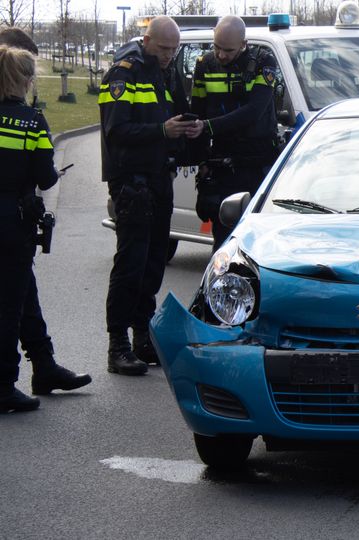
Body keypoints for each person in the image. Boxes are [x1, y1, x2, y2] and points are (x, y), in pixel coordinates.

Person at [99, 16, 202, 376]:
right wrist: (162, 130)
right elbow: (117, 130)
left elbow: (172, 112)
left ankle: (142, 336)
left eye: (174, 49)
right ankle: (118, 345)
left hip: (159, 177)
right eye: (163, 48)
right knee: (130, 264)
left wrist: (186, 130)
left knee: (154, 261)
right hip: (131, 181)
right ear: (146, 41)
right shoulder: (123, 73)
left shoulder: (167, 70)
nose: (169, 55)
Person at [0, 45, 92, 412]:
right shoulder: (32, 120)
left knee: (24, 294)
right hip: (13, 222)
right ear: (24, 80)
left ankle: (45, 366)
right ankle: (4, 385)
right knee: (8, 305)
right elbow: (46, 178)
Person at [190, 15, 279, 249]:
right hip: (222, 168)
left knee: (257, 241)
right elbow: (196, 112)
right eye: (216, 47)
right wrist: (201, 160)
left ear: (243, 44)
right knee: (223, 240)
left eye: (228, 50)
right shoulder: (204, 64)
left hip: (256, 166)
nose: (221, 55)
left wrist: (209, 126)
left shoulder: (264, 62)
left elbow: (254, 112)